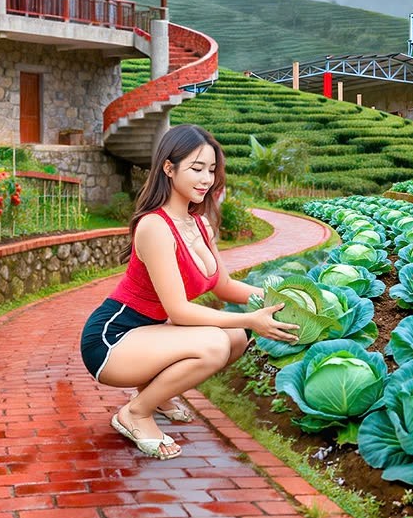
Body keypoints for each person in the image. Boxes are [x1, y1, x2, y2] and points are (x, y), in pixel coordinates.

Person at [78, 124, 299, 459]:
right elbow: (179, 311)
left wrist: (278, 299)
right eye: (196, 169)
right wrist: (253, 320)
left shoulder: (199, 223)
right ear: (169, 168)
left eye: (211, 170)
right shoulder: (155, 226)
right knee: (214, 345)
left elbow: (223, 285)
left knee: (236, 337)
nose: (206, 179)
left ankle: (157, 393)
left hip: (150, 333)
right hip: (111, 341)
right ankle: (136, 413)